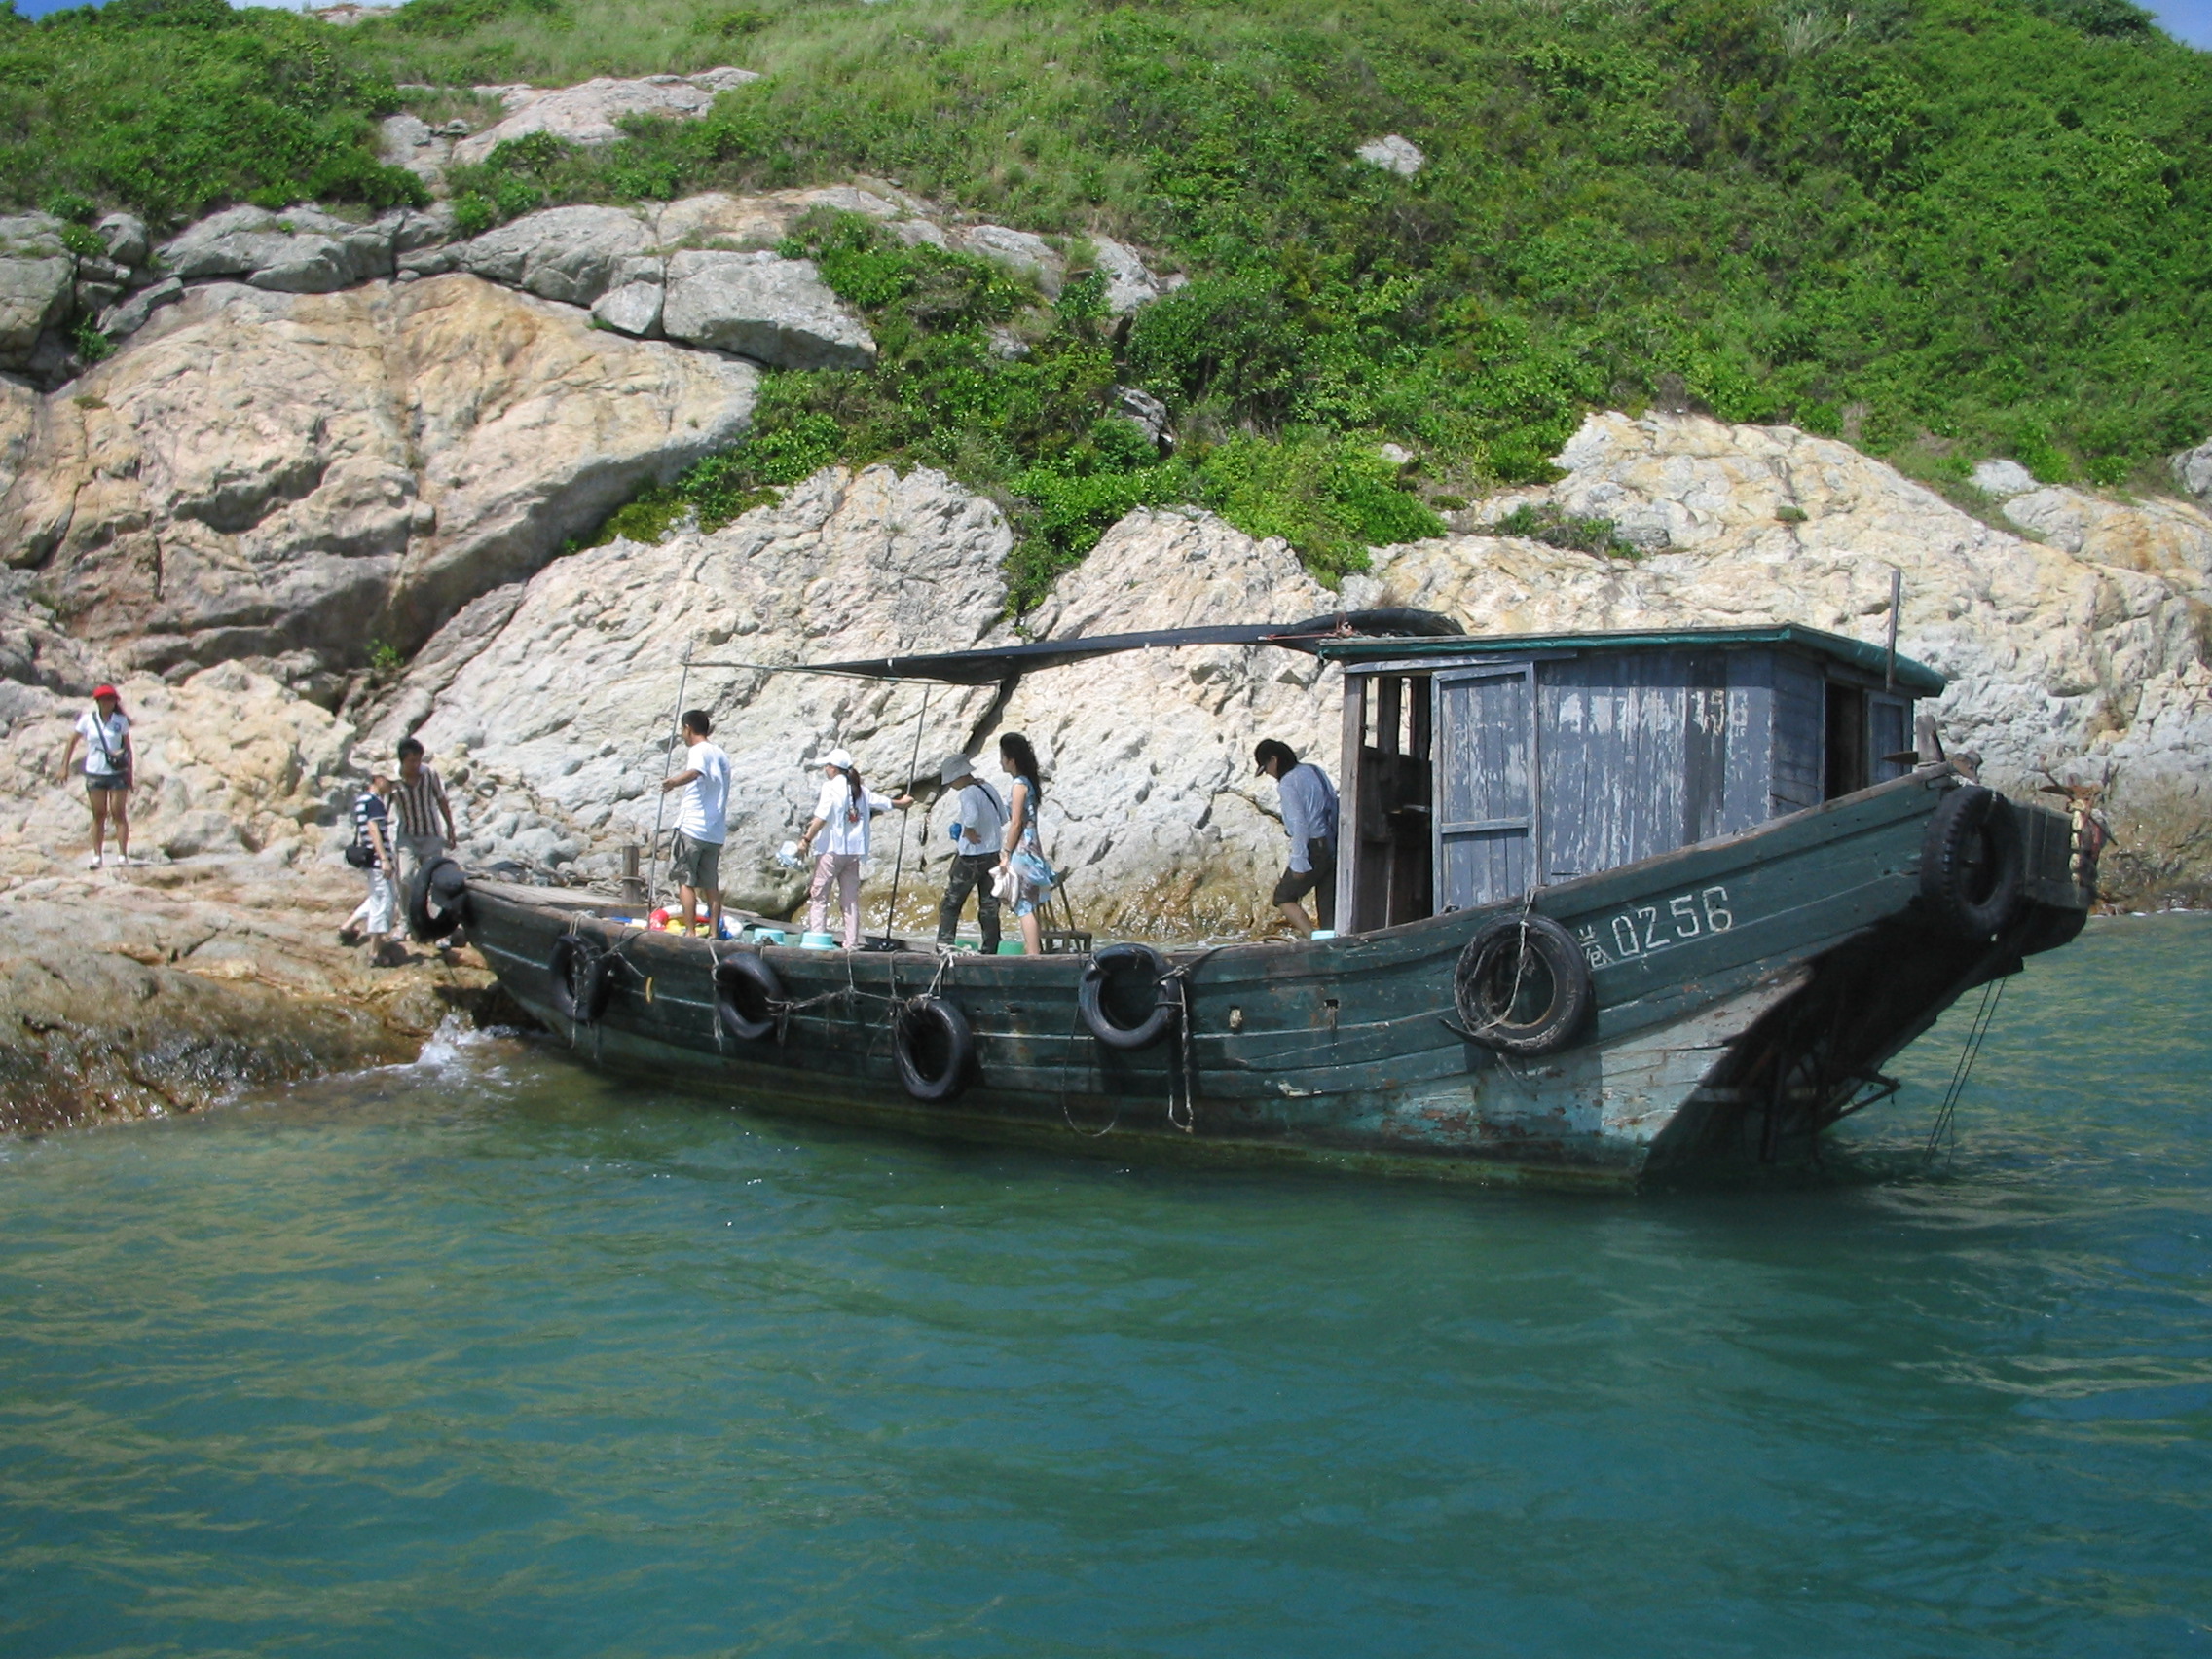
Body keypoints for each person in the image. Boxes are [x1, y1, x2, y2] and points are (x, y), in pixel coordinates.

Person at [794, 748, 912, 949]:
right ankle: (851, 942)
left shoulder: (830, 787)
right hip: (853, 852)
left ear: (833, 768)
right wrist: (902, 803)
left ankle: (817, 938)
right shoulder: (860, 789)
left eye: (827, 766)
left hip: (831, 850)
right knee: (849, 900)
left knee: (819, 895)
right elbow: (882, 802)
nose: (825, 769)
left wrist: (806, 840)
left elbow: (821, 817)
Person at [658, 709, 731, 938]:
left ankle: (690, 933)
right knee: (710, 885)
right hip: (714, 831)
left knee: (685, 880)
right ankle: (713, 933)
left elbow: (695, 772)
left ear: (688, 728)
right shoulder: (721, 754)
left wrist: (672, 782)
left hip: (693, 827)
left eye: (683, 730)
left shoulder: (698, 750)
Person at [1255, 738, 1338, 935]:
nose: (1268, 773)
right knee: (1328, 906)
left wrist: (1299, 861)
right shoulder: (1313, 770)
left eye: (1266, 768)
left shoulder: (1288, 783)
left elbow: (1299, 824)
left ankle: (1313, 939)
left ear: (1274, 760)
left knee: (1283, 897)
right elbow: (1333, 804)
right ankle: (1331, 941)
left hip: (1312, 847)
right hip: (1331, 844)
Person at [934, 753, 1006, 955]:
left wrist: (969, 829)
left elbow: (972, 816)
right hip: (992, 855)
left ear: (959, 776)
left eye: (951, 781)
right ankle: (991, 948)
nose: (951, 785)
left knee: (951, 903)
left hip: (971, 857)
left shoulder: (966, 793)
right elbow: (1002, 817)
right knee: (989, 905)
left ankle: (944, 944)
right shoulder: (987, 787)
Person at [55, 684, 134, 869]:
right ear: (98, 702)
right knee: (98, 814)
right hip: (95, 771)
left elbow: (127, 748)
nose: (108, 703)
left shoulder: (120, 721)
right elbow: (72, 741)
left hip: (117, 772)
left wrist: (130, 773)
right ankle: (97, 855)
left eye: (111, 699)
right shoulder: (87, 720)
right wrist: (64, 766)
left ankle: (122, 855)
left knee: (118, 813)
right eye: (104, 699)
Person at [339, 772, 400, 964]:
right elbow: (373, 828)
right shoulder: (374, 802)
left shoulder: (362, 800)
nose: (392, 786)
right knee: (384, 902)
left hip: (369, 859)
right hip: (377, 860)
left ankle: (347, 927)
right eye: (390, 782)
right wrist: (384, 858)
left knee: (376, 897)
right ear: (378, 779)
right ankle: (375, 952)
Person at [997, 732, 1049, 956]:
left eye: (1002, 756)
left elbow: (1016, 822)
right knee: (1028, 903)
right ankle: (1033, 950)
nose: (1000, 761)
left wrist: (1006, 853)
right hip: (1032, 845)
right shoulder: (1029, 782)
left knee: (1023, 905)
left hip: (1022, 849)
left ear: (1011, 760)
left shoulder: (1019, 785)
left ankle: (1033, 955)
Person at [390, 736, 458, 890]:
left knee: (434, 876)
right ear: (402, 760)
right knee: (405, 877)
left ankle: (430, 903)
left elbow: (441, 799)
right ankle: (408, 905)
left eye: (418, 760)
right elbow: (384, 805)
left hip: (430, 834)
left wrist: (450, 827)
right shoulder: (393, 779)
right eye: (411, 761)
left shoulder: (429, 774)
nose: (416, 765)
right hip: (406, 836)